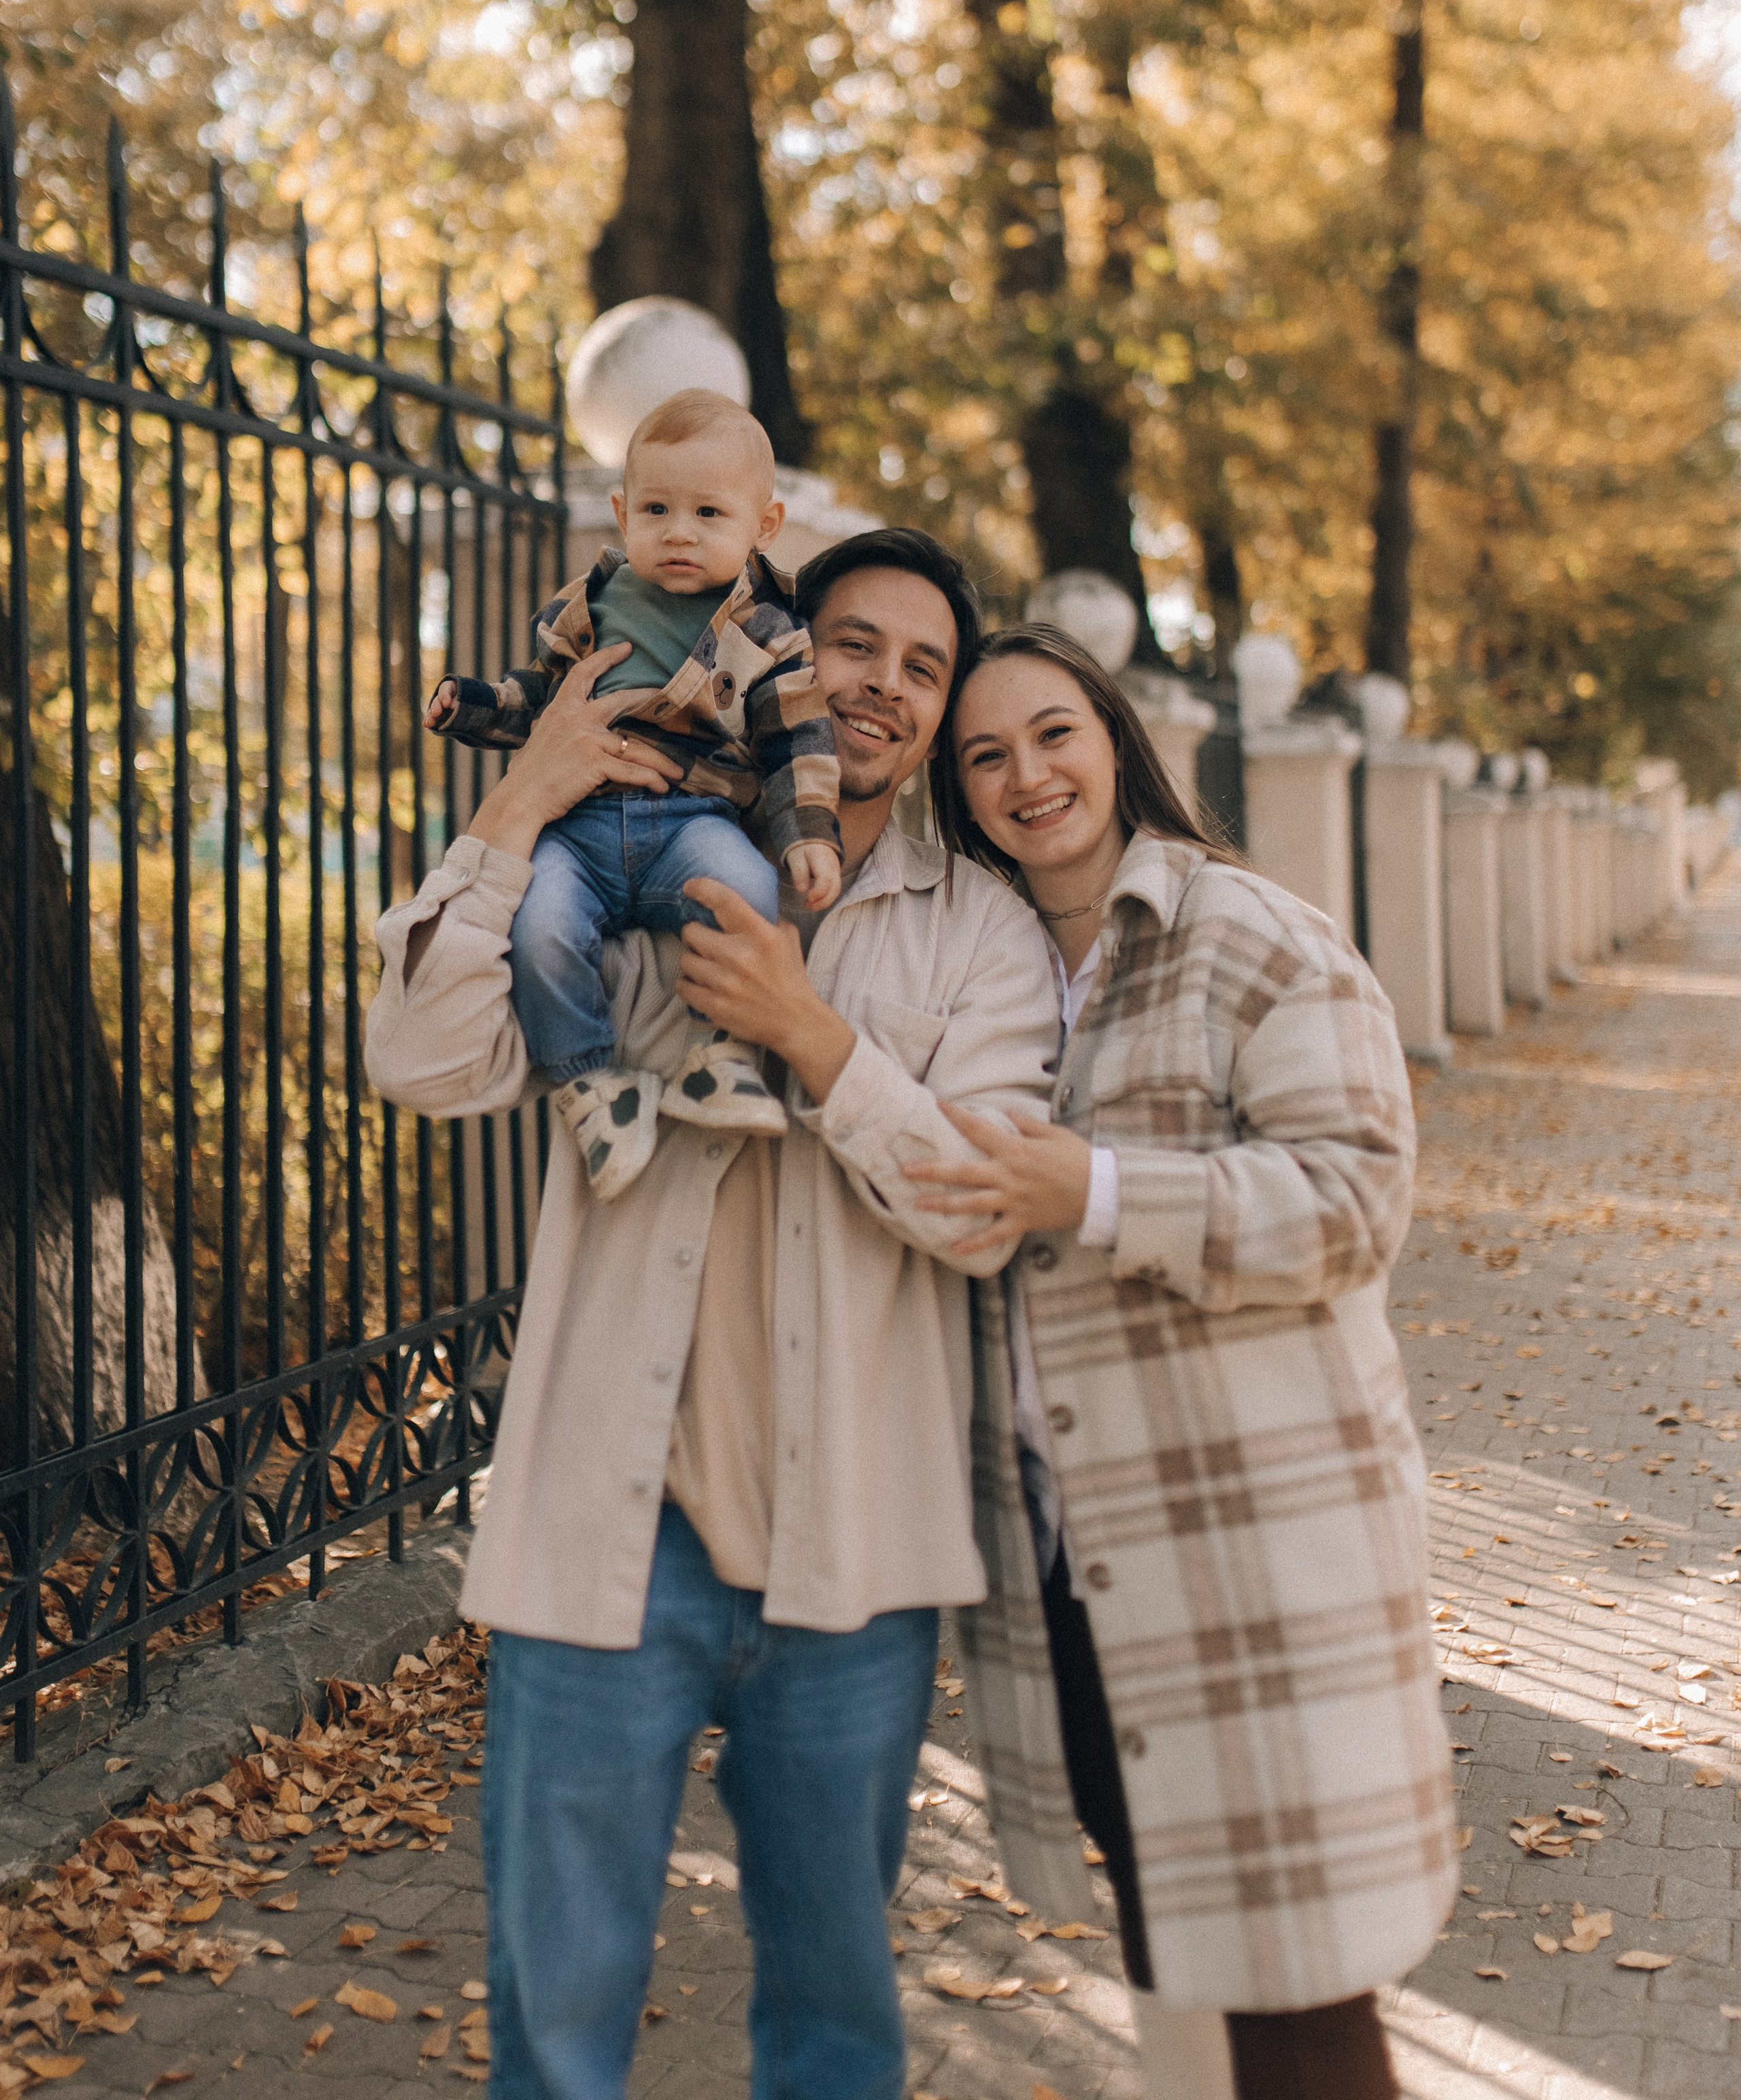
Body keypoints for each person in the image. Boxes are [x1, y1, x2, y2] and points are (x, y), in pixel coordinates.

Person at [364, 530, 1062, 2100]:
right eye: (852, 644)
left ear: (943, 711)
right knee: (555, 2028)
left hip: (854, 1554)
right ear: (779, 659)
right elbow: (417, 1063)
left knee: (831, 2023)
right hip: (609, 1527)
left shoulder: (979, 929)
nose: (880, 681)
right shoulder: (634, 860)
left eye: (922, 664)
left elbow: (976, 1208)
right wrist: (516, 799)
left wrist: (815, 1039)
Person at [905, 624, 1457, 2100]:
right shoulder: (993, 975)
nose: (1026, 776)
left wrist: (1090, 1188)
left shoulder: (1249, 933)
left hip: (1255, 1564)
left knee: (1298, 2007)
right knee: (1183, 1974)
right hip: (1081, 1570)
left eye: (1052, 735)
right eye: (985, 757)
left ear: (1114, 741)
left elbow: (1351, 1204)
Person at [424, 389, 843, 1196]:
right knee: (538, 925)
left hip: (692, 819)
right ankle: (588, 1082)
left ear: (764, 526)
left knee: (747, 889)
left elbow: (798, 740)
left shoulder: (769, 630)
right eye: (656, 508)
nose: (679, 531)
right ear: (622, 513)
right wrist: (473, 704)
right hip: (576, 829)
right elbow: (536, 699)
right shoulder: (586, 607)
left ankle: (719, 1057)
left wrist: (808, 835)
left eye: (709, 514)